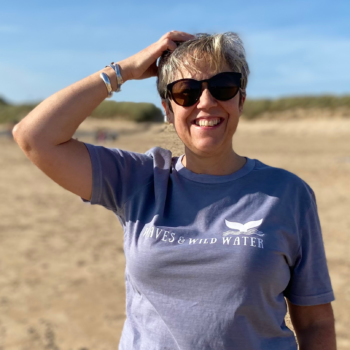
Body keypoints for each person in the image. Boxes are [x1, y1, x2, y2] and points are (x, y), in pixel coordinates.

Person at [13, 31, 336, 350]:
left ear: (240, 99)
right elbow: (34, 137)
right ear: (168, 109)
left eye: (223, 87)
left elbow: (315, 322)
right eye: (186, 91)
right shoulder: (139, 179)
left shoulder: (286, 193)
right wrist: (122, 71)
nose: (206, 102)